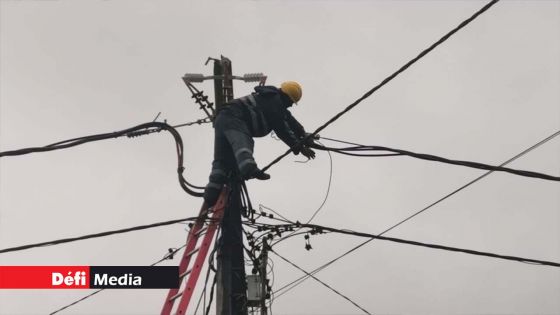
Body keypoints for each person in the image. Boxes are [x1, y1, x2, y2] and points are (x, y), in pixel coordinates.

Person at [203, 81, 316, 206]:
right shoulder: (274, 102)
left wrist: (303, 134)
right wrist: (299, 147)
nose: (290, 106)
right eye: (290, 102)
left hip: (222, 120)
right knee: (244, 143)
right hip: (234, 119)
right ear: (286, 97)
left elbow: (289, 120)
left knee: (222, 159)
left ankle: (212, 191)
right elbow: (282, 128)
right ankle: (248, 167)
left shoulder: (271, 99)